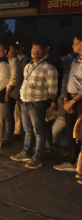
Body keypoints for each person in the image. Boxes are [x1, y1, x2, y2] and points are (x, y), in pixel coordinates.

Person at [11, 40, 58, 169]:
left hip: (37, 103)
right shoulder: (28, 66)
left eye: (38, 50)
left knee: (39, 131)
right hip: (25, 101)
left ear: (44, 52)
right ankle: (26, 151)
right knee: (27, 130)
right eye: (33, 50)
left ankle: (38, 156)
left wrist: (48, 99)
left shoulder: (48, 68)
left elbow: (53, 89)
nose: (35, 52)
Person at [54, 33, 82, 172]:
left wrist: (72, 102)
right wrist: (66, 99)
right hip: (71, 99)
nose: (72, 46)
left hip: (79, 100)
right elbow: (68, 81)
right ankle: (71, 160)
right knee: (71, 131)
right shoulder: (75, 61)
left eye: (74, 43)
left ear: (81, 44)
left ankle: (76, 162)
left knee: (79, 132)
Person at [3, 44, 23, 145]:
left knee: (8, 115)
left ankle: (7, 138)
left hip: (10, 93)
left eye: (10, 50)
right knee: (6, 115)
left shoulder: (15, 62)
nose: (8, 52)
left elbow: (14, 79)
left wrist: (7, 93)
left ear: (15, 51)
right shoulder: (10, 62)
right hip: (7, 92)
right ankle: (5, 135)